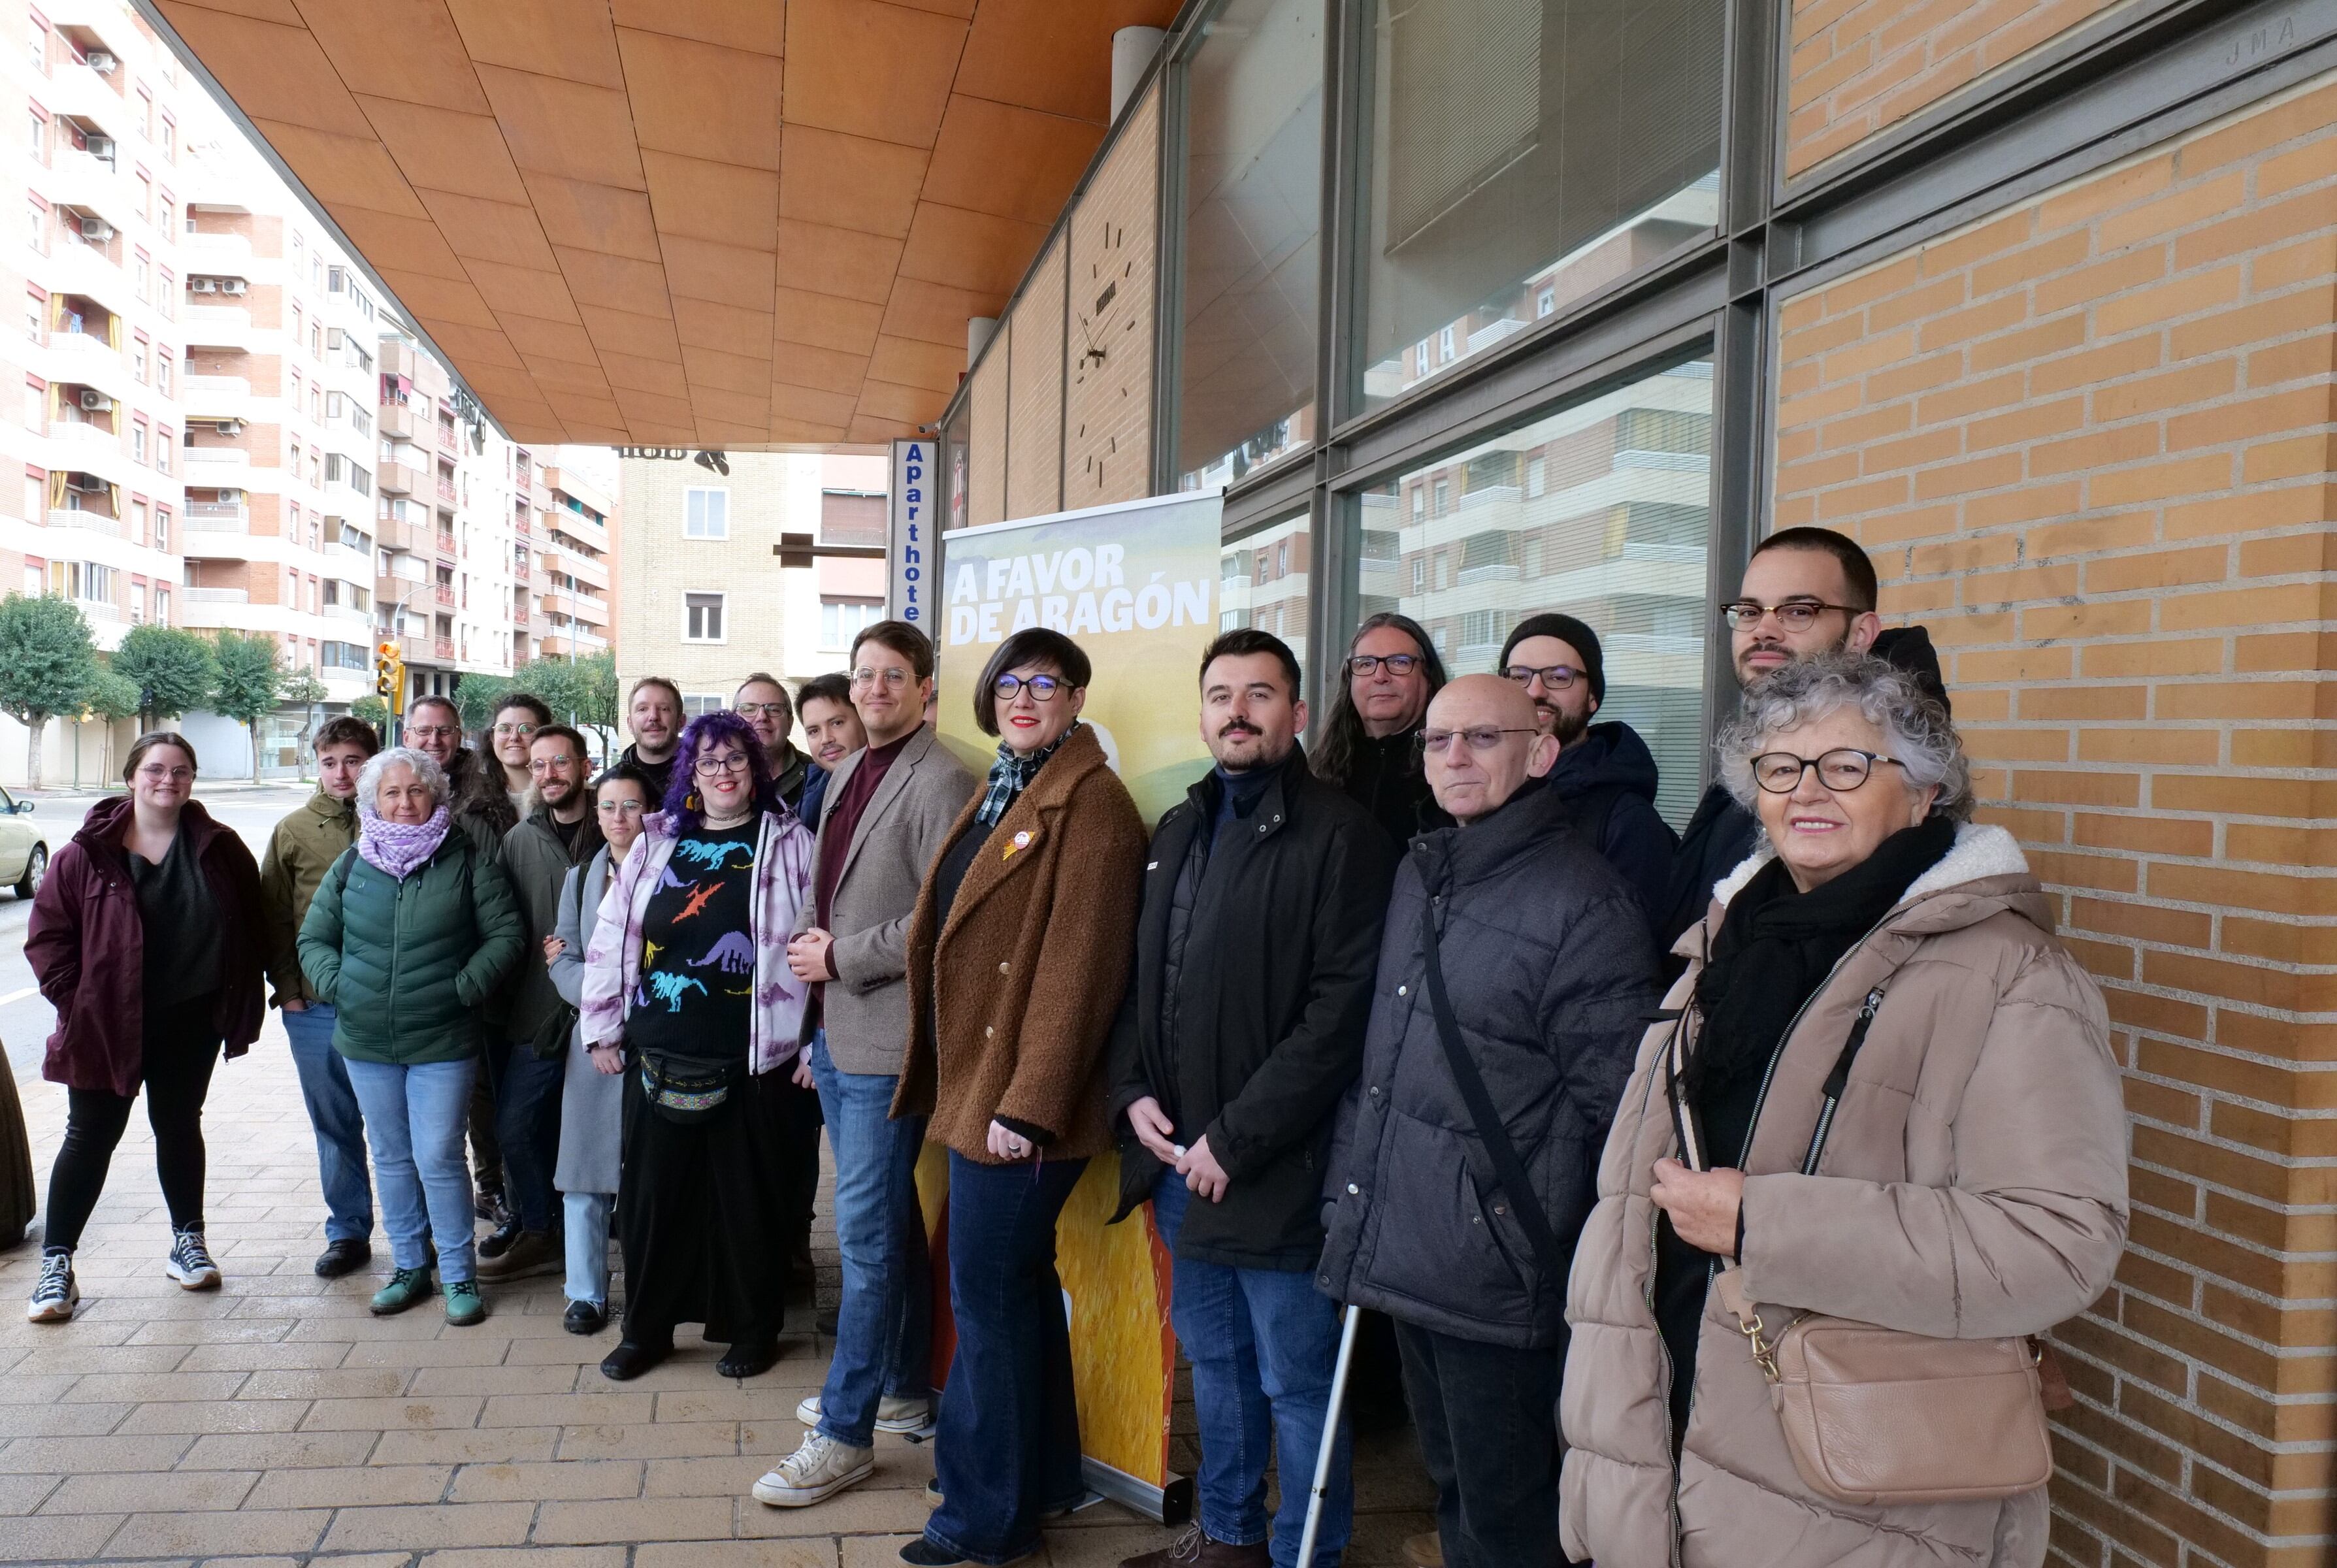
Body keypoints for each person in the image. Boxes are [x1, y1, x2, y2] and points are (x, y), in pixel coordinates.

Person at [1560, 655, 2128, 1568]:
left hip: (1855, 1496)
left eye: (1848, 765)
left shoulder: (2008, 976)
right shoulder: (1725, 947)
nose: (1806, 791)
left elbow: (2058, 1243)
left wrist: (1762, 1221)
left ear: (1925, 792)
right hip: (1662, 1444)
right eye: (1780, 768)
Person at [1318, 677, 1659, 1568]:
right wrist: (1349, 1196)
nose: (1454, 757)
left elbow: (1618, 1112)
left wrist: (1523, 1233)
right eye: (1437, 741)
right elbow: (1384, 1061)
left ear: (1540, 753)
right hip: (1410, 1244)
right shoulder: (1420, 871)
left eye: (1480, 738)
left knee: (1511, 1520)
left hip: (1498, 1274)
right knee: (1455, 1489)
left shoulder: (1583, 903)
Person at [1108, 630, 1396, 1568]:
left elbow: (1340, 1016)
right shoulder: (1182, 827)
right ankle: (1228, 1540)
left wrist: (1235, 1139)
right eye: (1221, 694)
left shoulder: (1343, 836)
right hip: (1179, 1166)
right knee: (1219, 1367)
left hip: (1277, 1172)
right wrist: (1133, 1094)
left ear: (1298, 713)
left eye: (1260, 694)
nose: (1238, 710)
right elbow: (1143, 982)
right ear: (1201, 714)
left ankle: (1307, 1551)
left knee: (1296, 1381)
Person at [890, 628, 1146, 1568]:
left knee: (988, 1305)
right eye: (1009, 684)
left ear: (1078, 697)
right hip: (981, 1091)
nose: (1024, 697)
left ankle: (981, 1523)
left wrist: (1029, 1105)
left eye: (1045, 684)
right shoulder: (1014, 789)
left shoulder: (1095, 806)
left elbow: (1080, 976)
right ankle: (1042, 1480)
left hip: (1019, 1109)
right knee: (1017, 1293)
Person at [755, 622, 975, 1509]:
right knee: (883, 1233)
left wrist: (842, 961)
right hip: (838, 1036)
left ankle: (844, 1435)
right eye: (863, 676)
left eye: (892, 676)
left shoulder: (945, 776)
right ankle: (899, 1391)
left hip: (888, 1040)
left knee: (870, 1242)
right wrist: (814, 1014)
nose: (875, 690)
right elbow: (824, 893)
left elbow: (943, 920)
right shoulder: (843, 770)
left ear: (926, 687)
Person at [581, 710, 816, 1382]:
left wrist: (811, 1045)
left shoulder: (791, 844)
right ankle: (645, 1330)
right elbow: (611, 936)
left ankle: (751, 1329)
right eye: (709, 762)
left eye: (736, 761)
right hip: (657, 1052)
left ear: (757, 768)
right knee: (653, 1203)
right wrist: (601, 1024)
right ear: (691, 772)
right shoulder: (656, 844)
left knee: (747, 1203)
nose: (723, 774)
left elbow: (812, 943)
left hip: (754, 1061)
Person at [24, 734, 267, 1324]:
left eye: (182, 771)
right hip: (106, 1022)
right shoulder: (85, 853)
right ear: (132, 776)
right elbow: (48, 938)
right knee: (89, 1137)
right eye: (156, 770)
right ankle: (57, 1266)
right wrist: (77, 1003)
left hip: (191, 1018)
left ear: (192, 780)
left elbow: (252, 926)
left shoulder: (219, 847)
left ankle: (188, 1241)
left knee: (179, 1126)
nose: (168, 780)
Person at [299, 747, 525, 1326]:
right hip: (366, 1038)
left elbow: (506, 934)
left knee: (439, 1156)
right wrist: (340, 985)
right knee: (392, 1157)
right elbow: (314, 939)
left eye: (416, 791)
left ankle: (457, 1275)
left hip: (443, 1038)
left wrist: (464, 987)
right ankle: (408, 1268)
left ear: (436, 797)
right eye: (391, 793)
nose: (404, 803)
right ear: (374, 800)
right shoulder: (352, 864)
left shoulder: (466, 858)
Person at [1657, 527, 1932, 951]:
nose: (1763, 630)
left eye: (1798, 611)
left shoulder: (1903, 767)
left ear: (1860, 634)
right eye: (1749, 612)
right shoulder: (1751, 752)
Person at [259, 715, 382, 1279]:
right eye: (329, 762)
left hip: (388, 1003)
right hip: (315, 1007)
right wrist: (289, 994)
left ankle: (420, 1233)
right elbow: (275, 918)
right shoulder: (293, 830)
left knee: (397, 1125)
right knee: (334, 1122)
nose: (341, 773)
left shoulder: (401, 814)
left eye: (353, 761)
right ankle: (348, 1232)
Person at [481, 723, 606, 1282]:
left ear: (584, 766)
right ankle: (540, 1228)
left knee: (600, 1135)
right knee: (516, 1127)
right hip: (538, 1015)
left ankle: (606, 1232)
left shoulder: (616, 828)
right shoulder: (520, 840)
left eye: (560, 763)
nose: (549, 775)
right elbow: (502, 923)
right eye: (539, 766)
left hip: (607, 1014)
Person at [546, 762, 653, 1334]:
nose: (619, 818)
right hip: (592, 1050)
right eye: (608, 806)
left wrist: (630, 1024)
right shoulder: (581, 877)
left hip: (653, 1046)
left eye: (632, 806)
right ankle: (585, 1293)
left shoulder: (673, 872)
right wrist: (600, 1022)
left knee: (646, 1178)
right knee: (584, 1176)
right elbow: (562, 960)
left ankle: (649, 1288)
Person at [406, 690, 512, 1226]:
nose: (434, 741)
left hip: (483, 961)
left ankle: (492, 1185)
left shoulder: (487, 789)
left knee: (486, 1089)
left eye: (444, 731)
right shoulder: (392, 783)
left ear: (460, 734)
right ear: (407, 735)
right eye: (424, 732)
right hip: (419, 970)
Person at [1497, 614, 1676, 928]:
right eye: (1519, 676)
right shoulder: (1485, 792)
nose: (1535, 691)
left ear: (1592, 697)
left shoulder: (1626, 822)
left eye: (1559, 676)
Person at [1310, 612, 1451, 849]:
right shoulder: (1316, 771)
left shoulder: (1453, 765)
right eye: (1365, 663)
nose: (1380, 676)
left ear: (1428, 677)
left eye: (1399, 662)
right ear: (1350, 680)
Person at [795, 672, 866, 832]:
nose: (826, 739)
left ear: (863, 719)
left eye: (837, 723)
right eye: (814, 731)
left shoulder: (892, 784)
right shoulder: (812, 791)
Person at [737, 672, 812, 814]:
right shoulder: (716, 777)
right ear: (733, 721)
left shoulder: (818, 778)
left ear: (790, 724)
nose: (762, 717)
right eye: (749, 709)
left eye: (774, 709)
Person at [620, 676, 685, 803]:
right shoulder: (608, 788)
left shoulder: (707, 781)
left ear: (681, 722)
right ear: (630, 724)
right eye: (642, 709)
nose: (653, 717)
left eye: (664, 709)